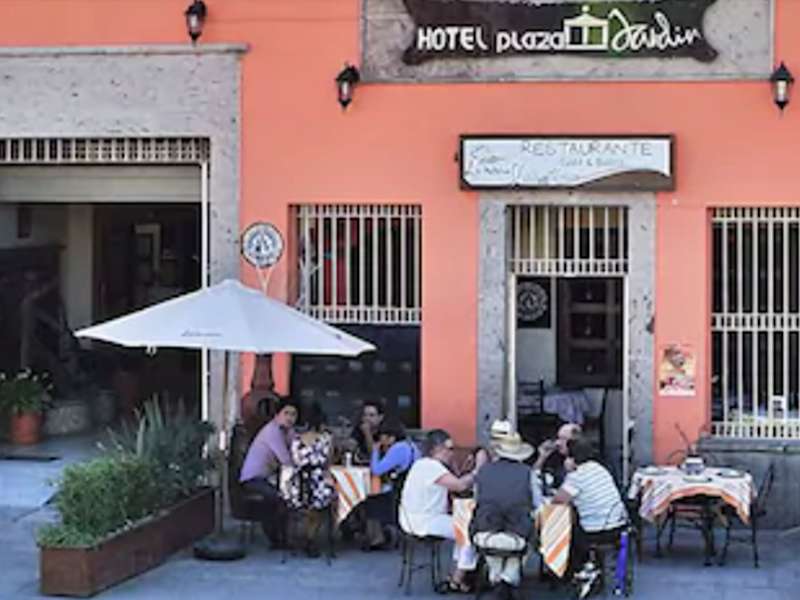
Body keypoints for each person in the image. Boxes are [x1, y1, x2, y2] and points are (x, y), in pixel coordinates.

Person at [399, 429, 488, 593]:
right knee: (469, 530)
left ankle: (458, 573)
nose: (452, 453)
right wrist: (478, 469)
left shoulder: (422, 464)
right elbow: (460, 485)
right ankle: (457, 579)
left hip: (414, 518)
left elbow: (454, 483)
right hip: (424, 520)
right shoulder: (431, 467)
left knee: (462, 528)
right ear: (438, 449)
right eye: (450, 449)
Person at [552, 437, 628, 593]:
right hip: (618, 526)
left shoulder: (576, 477)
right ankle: (590, 568)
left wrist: (568, 472)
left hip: (596, 532)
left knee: (566, 533)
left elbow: (558, 501)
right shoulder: (599, 469)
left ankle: (574, 571)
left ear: (572, 458)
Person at [470, 432, 537, 597]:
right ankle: (508, 577)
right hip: (517, 533)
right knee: (532, 532)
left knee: (488, 538)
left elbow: (477, 499)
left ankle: (496, 575)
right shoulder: (527, 472)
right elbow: (537, 503)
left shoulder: (483, 471)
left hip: (485, 531)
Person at [239, 398, 298, 547]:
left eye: (293, 414)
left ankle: (284, 537)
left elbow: (297, 448)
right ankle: (276, 539)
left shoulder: (287, 431)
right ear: (277, 415)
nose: (290, 418)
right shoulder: (272, 431)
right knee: (277, 498)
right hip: (253, 479)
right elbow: (286, 459)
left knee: (289, 496)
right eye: (286, 413)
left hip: (269, 477)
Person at [283, 403, 335, 557]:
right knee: (328, 503)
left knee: (301, 509)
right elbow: (328, 461)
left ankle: (300, 537)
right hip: (318, 482)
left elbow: (293, 460)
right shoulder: (326, 438)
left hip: (298, 484)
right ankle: (312, 538)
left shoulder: (296, 439)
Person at [360, 418, 421, 549]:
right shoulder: (411, 445)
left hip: (399, 491)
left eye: (382, 437)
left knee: (371, 500)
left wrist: (375, 451)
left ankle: (376, 537)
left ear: (391, 437)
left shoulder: (398, 449)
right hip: (410, 488)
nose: (380, 440)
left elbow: (376, 470)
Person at [533, 423, 582, 491]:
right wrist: (542, 457)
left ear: (574, 440)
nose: (557, 443)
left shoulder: (582, 461)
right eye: (558, 438)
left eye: (563, 439)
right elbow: (533, 478)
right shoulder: (555, 456)